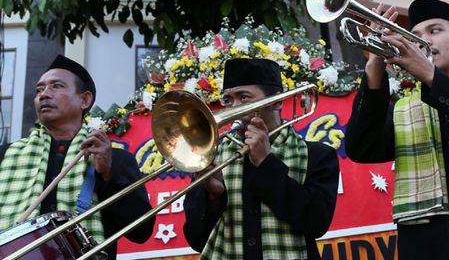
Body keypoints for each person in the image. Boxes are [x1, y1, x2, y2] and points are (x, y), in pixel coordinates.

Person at [345, 0, 449, 259]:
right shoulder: (402, 107)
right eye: (416, 36)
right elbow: (361, 149)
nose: (426, 41)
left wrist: (430, 76)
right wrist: (374, 67)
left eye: (435, 31)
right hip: (423, 244)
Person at [0, 55, 155, 259]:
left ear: (85, 100)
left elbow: (141, 232)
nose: (44, 95)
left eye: (56, 86)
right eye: (39, 90)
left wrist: (108, 174)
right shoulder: (6, 155)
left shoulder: (114, 158)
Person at [183, 58, 339, 259]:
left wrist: (266, 162)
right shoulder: (212, 156)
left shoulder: (318, 155)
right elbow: (196, 240)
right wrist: (213, 198)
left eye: (244, 97)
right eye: (228, 100)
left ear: (277, 102)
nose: (233, 108)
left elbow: (316, 223)